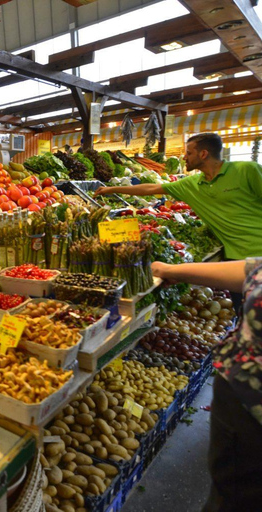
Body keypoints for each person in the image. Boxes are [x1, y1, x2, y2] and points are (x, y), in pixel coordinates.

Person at [151, 260, 262, 511]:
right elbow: (252, 271)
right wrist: (170, 270)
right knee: (229, 493)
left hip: (254, 412)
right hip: (239, 402)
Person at [95, 133, 262, 261]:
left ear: (203, 154)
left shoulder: (247, 170)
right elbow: (151, 188)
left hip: (258, 250)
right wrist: (111, 189)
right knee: (246, 305)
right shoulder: (192, 183)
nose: (184, 157)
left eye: (189, 153)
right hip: (234, 257)